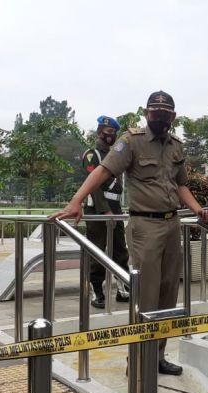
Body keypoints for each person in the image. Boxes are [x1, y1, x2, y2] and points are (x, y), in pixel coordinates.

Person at [51, 91, 208, 376]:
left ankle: (158, 355)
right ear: (146, 113)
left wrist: (199, 210)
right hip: (145, 226)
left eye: (165, 114)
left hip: (172, 224)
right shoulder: (131, 142)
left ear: (173, 116)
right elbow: (102, 171)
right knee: (147, 295)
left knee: (168, 295)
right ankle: (139, 359)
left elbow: (181, 186)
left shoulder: (176, 146)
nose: (160, 118)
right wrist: (76, 201)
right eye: (155, 113)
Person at [82, 115, 130, 308]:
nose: (112, 135)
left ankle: (123, 287)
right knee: (97, 249)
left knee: (120, 249)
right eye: (109, 132)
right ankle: (96, 291)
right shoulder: (91, 154)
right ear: (100, 131)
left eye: (114, 132)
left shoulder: (114, 155)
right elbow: (93, 185)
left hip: (115, 207)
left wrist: (114, 210)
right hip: (97, 208)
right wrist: (105, 211)